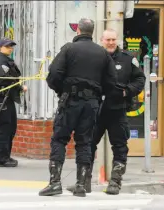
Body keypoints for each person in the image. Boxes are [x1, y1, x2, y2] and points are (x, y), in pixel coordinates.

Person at [39, 18, 118, 197]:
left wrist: (63, 92)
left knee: (59, 139)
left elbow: (53, 75)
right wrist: (97, 94)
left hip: (70, 102)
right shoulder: (103, 53)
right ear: (92, 32)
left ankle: (55, 183)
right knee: (84, 142)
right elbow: (112, 81)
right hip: (91, 104)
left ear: (78, 31)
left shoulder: (68, 49)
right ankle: (81, 184)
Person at [67, 29, 146, 195]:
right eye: (107, 39)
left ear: (117, 40)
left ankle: (115, 183)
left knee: (119, 146)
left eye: (113, 39)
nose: (110, 42)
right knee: (87, 144)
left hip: (117, 109)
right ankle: (83, 182)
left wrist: (127, 91)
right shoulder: (94, 57)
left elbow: (140, 79)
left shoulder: (127, 59)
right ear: (101, 40)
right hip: (95, 109)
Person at [0, 38, 27, 167]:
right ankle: (1, 158)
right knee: (4, 128)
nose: (10, 48)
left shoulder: (7, 61)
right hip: (0, 99)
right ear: (0, 48)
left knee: (10, 127)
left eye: (11, 46)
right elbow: (5, 80)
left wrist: (18, 86)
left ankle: (6, 156)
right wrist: (20, 87)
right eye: (8, 46)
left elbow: (12, 78)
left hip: (7, 98)